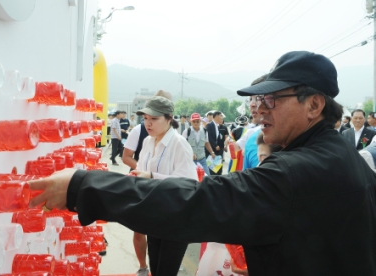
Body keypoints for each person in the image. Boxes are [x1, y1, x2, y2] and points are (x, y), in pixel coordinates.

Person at [30, 51, 376, 276]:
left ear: (314, 105)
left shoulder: (299, 172)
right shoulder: (341, 159)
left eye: (272, 98)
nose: (259, 109)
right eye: (259, 100)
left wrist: (82, 186)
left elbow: (197, 201)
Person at [122, 90, 172, 276]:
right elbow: (126, 157)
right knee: (139, 231)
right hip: (143, 186)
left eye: (157, 115)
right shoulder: (140, 132)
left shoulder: (175, 136)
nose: (150, 121)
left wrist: (152, 174)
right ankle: (143, 266)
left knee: (162, 238)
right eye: (147, 116)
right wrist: (143, 172)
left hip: (162, 191)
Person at [205, 111, 224, 175]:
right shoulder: (210, 125)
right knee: (211, 168)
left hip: (217, 150)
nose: (221, 118)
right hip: (211, 149)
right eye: (220, 116)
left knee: (217, 168)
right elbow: (209, 137)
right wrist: (215, 145)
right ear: (216, 117)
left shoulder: (217, 126)